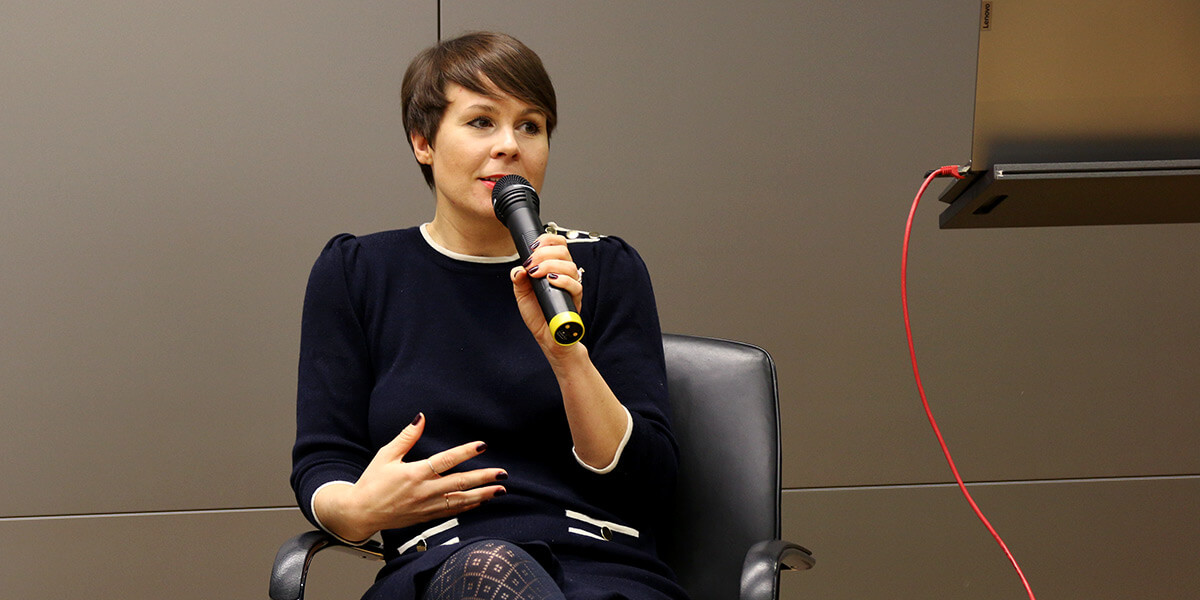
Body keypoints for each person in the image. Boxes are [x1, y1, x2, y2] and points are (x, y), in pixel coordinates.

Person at [290, 32, 687, 600]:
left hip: (603, 570)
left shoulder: (601, 269)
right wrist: (356, 509)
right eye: (481, 122)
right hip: (437, 572)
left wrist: (565, 354)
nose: (510, 145)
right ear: (422, 141)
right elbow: (324, 459)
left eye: (531, 125)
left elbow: (648, 481)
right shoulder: (358, 273)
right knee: (488, 569)